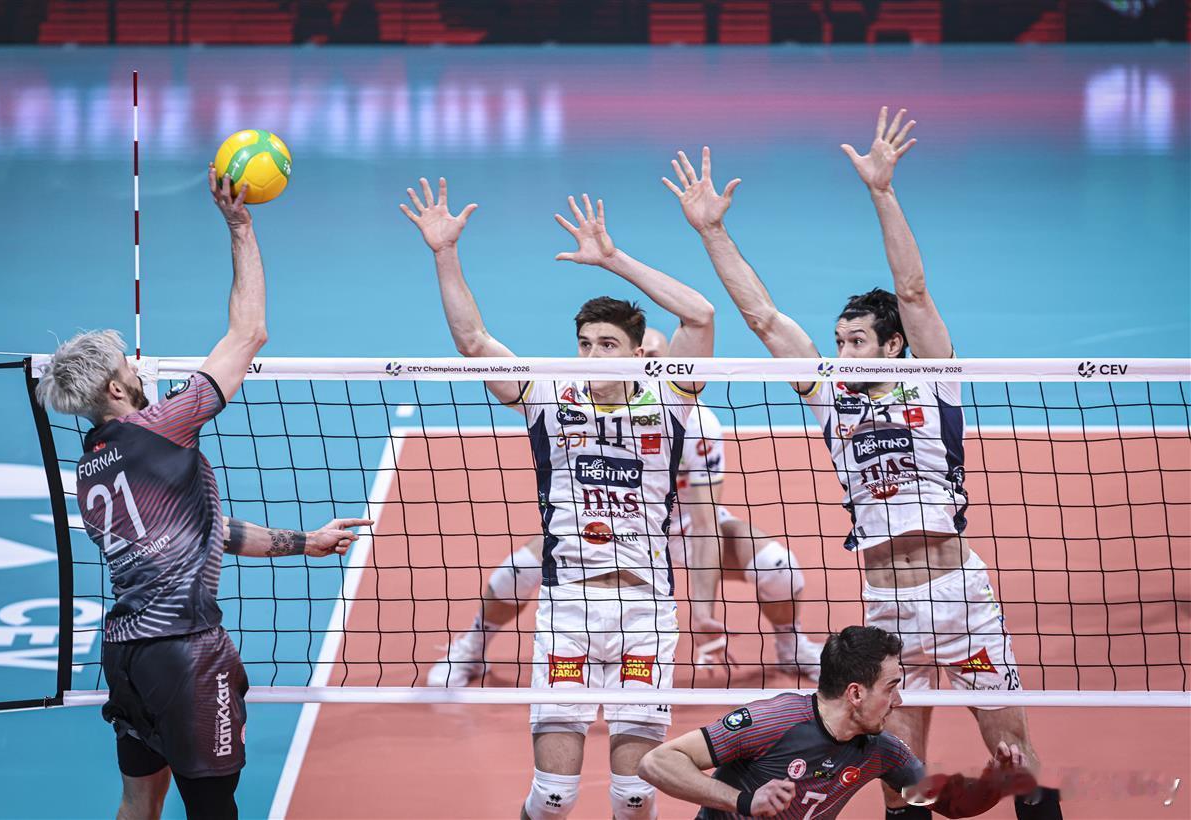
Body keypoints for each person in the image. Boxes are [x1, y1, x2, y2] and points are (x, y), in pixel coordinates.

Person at [663, 109, 1060, 820]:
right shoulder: (830, 396)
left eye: (856, 341)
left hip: (962, 602)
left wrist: (882, 190)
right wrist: (711, 231)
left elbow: (913, 292)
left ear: (893, 347)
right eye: (838, 340)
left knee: (1015, 757)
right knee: (901, 781)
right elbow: (762, 318)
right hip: (889, 611)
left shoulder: (932, 382)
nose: (842, 351)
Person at [36, 168, 372, 820]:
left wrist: (305, 542)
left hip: (126, 652)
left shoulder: (92, 468)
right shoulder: (162, 426)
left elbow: (204, 533)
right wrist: (240, 226)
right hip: (185, 654)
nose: (137, 367)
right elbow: (248, 334)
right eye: (127, 366)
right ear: (115, 390)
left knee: (139, 802)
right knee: (213, 810)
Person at [401, 177, 714, 819]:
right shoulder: (549, 395)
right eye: (585, 344)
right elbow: (474, 342)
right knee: (552, 798)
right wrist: (444, 252)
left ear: (638, 353)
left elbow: (700, 316)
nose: (593, 355)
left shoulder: (670, 400)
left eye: (608, 345)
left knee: (634, 796)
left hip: (646, 611)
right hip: (568, 607)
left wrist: (613, 259)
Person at [426, 326, 822, 688]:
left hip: (682, 526)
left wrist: (703, 611)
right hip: (610, 523)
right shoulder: (583, 408)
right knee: (517, 571)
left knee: (779, 568)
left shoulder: (695, 423)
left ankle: (790, 644)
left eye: (657, 358)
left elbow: (706, 524)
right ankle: (473, 647)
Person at [638, 625, 1035, 819]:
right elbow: (656, 762)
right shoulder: (772, 721)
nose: (899, 701)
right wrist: (744, 801)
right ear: (855, 693)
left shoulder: (884, 752)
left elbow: (948, 804)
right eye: (891, 687)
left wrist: (993, 786)